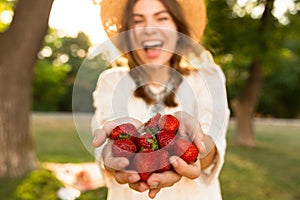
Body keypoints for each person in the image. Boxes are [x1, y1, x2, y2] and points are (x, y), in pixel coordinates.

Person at [91, 0, 230, 199]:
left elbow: (212, 147)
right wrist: (112, 154)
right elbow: (108, 151)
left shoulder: (208, 77)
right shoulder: (111, 81)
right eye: (138, 21)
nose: (149, 29)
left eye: (161, 18)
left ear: (178, 28)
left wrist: (193, 146)